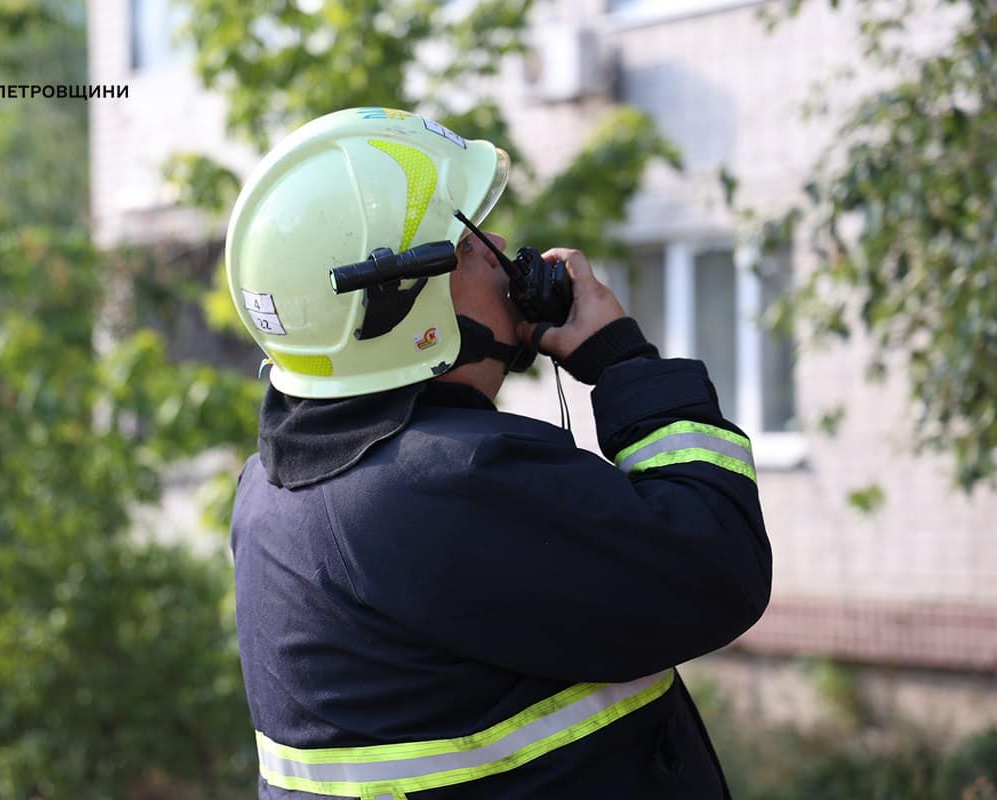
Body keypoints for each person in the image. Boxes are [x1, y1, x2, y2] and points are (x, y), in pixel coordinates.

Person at [224, 107, 771, 800]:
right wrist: (625, 364)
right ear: (404, 303)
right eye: (468, 242)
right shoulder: (447, 487)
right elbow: (719, 568)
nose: (502, 247)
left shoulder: (271, 489)